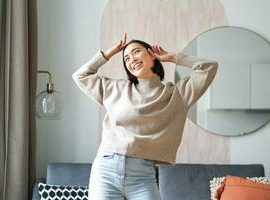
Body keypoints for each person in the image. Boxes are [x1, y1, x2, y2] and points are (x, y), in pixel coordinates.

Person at [72, 33, 218, 200]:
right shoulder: (116, 88)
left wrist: (173, 57)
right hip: (106, 170)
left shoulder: (177, 95)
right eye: (126, 58)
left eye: (136, 52)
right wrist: (108, 54)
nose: (131, 59)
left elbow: (209, 67)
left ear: (152, 55)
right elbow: (80, 76)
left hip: (142, 176)